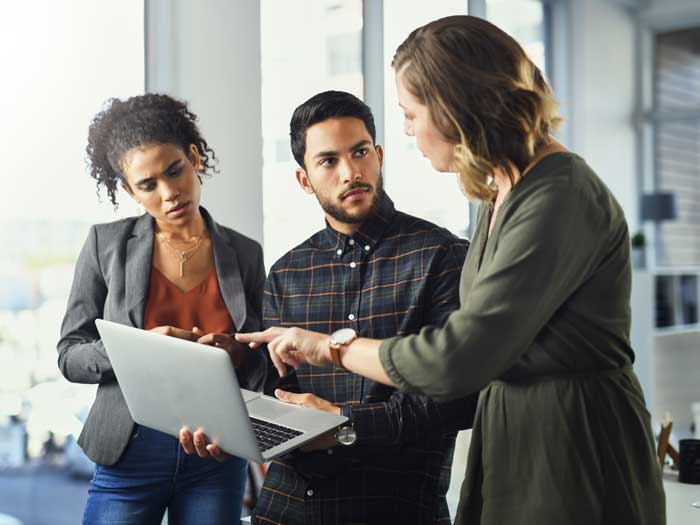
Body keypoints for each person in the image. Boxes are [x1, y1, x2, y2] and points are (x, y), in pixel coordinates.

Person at [235, 16, 666, 525]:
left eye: (410, 112)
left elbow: (457, 358)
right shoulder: (501, 192)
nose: (407, 129)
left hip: (571, 444)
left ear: (456, 105)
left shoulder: (559, 194)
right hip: (513, 441)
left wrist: (332, 348)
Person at [181, 90, 477, 524]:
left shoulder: (443, 256)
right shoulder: (287, 273)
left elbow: (458, 401)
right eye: (328, 161)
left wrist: (343, 423)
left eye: (360, 153)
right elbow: (275, 396)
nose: (350, 172)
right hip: (287, 508)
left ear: (378, 155)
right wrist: (226, 423)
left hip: (395, 510)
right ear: (305, 179)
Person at [58, 94, 268, 524]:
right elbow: (70, 355)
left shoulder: (245, 253)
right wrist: (137, 348)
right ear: (128, 190)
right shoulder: (105, 246)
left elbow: (262, 363)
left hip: (216, 451)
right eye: (148, 185)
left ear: (194, 158)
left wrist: (236, 350)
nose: (170, 192)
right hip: (129, 452)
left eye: (175, 171)